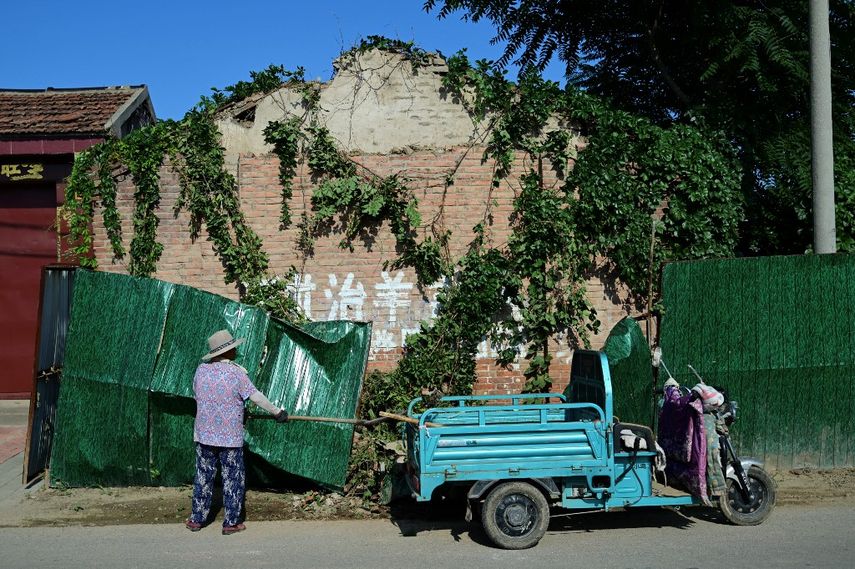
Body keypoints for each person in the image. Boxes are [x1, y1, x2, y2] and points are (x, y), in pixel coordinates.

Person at [185, 329, 288, 535]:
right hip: (229, 437)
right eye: (234, 349)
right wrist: (277, 412)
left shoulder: (201, 371)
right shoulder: (236, 373)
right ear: (229, 352)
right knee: (233, 478)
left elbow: (200, 395)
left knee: (203, 476)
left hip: (204, 434)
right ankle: (231, 522)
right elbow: (255, 396)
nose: (237, 352)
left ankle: (197, 519)